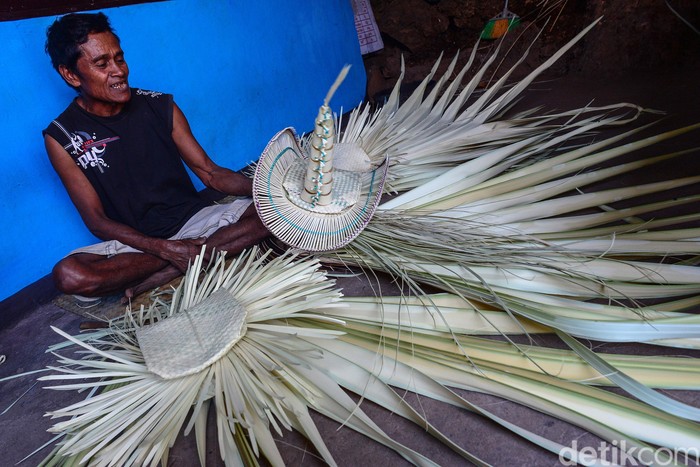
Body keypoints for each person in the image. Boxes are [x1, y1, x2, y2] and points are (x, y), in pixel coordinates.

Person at [43, 12, 270, 302]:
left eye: (120, 58)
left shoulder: (159, 105)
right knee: (69, 274)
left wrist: (269, 191)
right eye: (102, 64)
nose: (119, 71)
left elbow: (210, 173)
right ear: (71, 74)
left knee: (273, 215)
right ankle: (192, 256)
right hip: (136, 245)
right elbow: (97, 221)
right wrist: (164, 249)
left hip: (197, 222)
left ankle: (170, 269)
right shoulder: (62, 137)